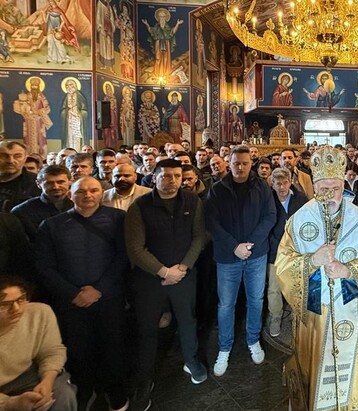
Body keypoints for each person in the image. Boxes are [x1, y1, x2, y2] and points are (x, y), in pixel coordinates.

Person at [275, 146, 358, 410]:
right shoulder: (299, 220)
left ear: (343, 186)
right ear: (314, 187)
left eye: (335, 188)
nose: (329, 195)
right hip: (315, 312)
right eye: (323, 188)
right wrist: (313, 261)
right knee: (313, 365)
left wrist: (349, 271)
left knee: (350, 367)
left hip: (348, 308)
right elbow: (282, 264)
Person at [34, 177, 129, 411]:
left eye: (93, 190)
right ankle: (84, 390)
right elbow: (44, 266)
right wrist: (73, 293)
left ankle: (114, 390)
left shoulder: (119, 219)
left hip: (108, 297)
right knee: (78, 349)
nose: (88, 195)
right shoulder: (51, 225)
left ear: (101, 193)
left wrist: (99, 289)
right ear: (70, 194)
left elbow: (123, 257)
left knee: (113, 346)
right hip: (71, 301)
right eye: (81, 191)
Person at [125, 159, 207, 410]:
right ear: (154, 178)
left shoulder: (192, 201)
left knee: (187, 320)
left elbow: (199, 236)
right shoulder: (140, 206)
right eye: (166, 176)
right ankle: (145, 377)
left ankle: (191, 360)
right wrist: (162, 271)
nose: (172, 181)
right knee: (148, 327)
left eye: (177, 176)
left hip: (183, 274)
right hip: (150, 278)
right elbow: (135, 248)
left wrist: (183, 267)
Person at [205, 146, 276, 374]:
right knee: (226, 304)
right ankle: (224, 347)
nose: (240, 167)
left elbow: (270, 216)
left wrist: (250, 244)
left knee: (256, 299)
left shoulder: (262, 187)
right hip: (228, 256)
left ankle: (253, 340)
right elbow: (212, 222)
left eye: (245, 163)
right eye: (236, 163)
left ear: (251, 164)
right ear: (229, 163)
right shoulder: (218, 189)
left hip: (256, 254)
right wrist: (234, 246)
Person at [0, 275, 77, 411]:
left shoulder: (39, 312)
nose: (16, 308)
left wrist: (47, 380)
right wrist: (10, 404)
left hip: (29, 374)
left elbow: (51, 351)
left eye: (21, 300)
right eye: (5, 305)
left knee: (63, 395)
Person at [267, 168, 307, 337]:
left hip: (296, 250)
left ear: (290, 182)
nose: (282, 187)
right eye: (278, 184)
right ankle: (275, 316)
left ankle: (298, 315)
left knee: (296, 285)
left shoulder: (301, 199)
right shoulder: (267, 200)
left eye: (285, 183)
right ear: (272, 184)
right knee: (274, 287)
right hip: (274, 251)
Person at [11, 165, 73, 242]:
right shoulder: (22, 211)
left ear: (70, 181)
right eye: (49, 183)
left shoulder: (80, 206)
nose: (56, 187)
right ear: (38, 183)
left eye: (61, 182)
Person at [0, 142, 41, 213]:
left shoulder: (38, 183)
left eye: (17, 156)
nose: (10, 161)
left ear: (25, 158)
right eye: (4, 156)